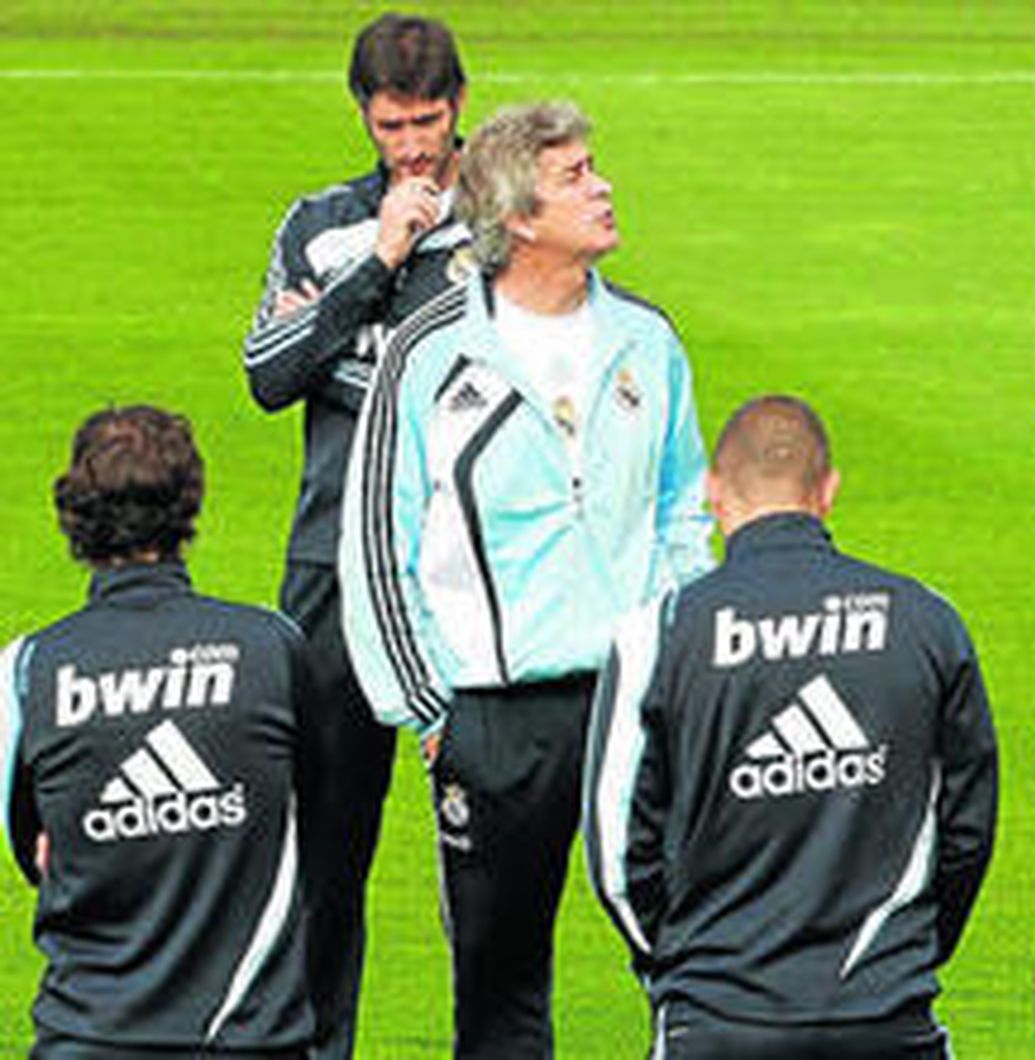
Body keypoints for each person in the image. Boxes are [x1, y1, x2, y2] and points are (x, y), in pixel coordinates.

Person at [340, 100, 713, 1058]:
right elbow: (376, 542)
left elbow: (681, 517)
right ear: (519, 218)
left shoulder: (649, 341)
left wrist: (686, 670)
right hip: (492, 718)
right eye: (576, 176)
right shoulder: (426, 356)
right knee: (501, 989)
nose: (604, 187)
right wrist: (428, 708)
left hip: (638, 702)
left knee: (693, 955)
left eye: (595, 166)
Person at [583, 394, 999, 1058]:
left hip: (716, 1020)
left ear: (714, 494)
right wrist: (902, 952)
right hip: (887, 1014)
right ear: (828, 490)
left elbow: (617, 857)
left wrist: (683, 969)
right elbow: (967, 827)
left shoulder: (655, 636)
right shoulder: (927, 620)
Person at [238, 14, 469, 1057]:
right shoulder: (325, 226)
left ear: (458, 105)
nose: (413, 148)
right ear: (364, 117)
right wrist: (375, 261)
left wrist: (343, 356)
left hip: (467, 586)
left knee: (489, 859)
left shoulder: (508, 229)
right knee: (325, 852)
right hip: (331, 580)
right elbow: (268, 372)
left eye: (426, 122)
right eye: (391, 126)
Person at [1, 405, 311, 1058]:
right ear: (188, 504)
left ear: (76, 511)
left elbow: (37, 852)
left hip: (87, 1037)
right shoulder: (271, 646)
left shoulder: (29, 670)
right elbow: (319, 815)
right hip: (248, 1037)